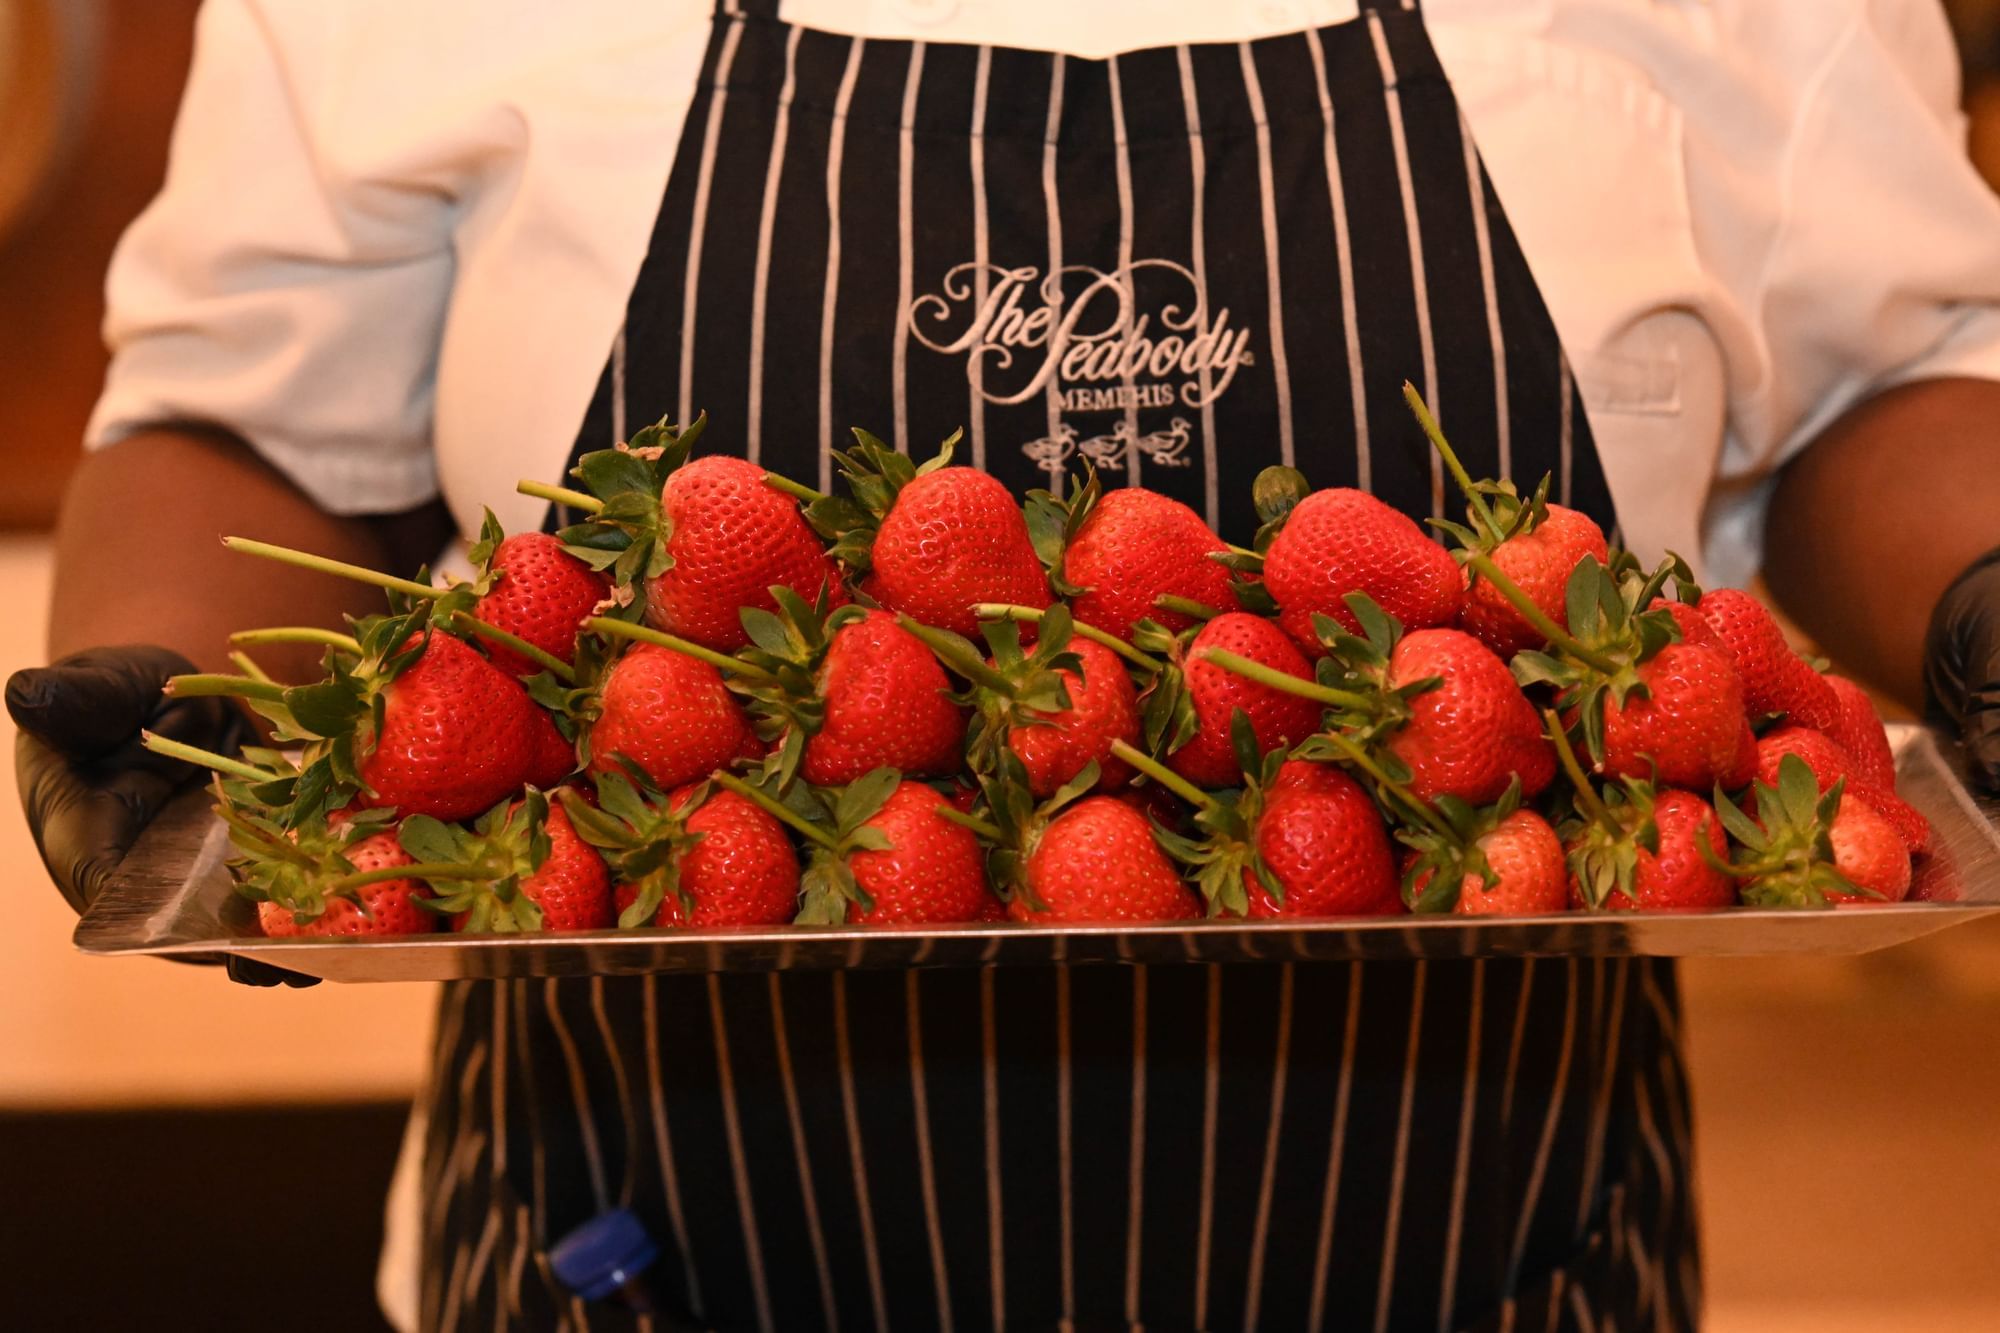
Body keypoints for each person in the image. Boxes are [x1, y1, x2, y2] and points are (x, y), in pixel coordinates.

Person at [11, 0, 2000, 1328]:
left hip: (1485, 1248)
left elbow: (1871, 374)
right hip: (629, 1252)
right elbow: (256, 423)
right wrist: (184, 703)